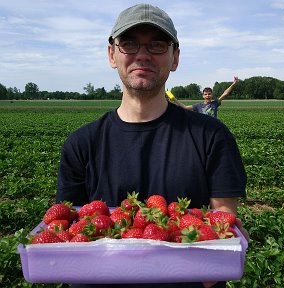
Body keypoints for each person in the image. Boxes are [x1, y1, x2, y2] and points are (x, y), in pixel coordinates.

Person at [56, 4, 248, 288]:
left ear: (175, 57)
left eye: (157, 45)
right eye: (129, 43)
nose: (142, 55)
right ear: (112, 54)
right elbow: (67, 230)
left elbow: (223, 217)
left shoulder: (212, 136)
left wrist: (215, 263)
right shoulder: (80, 144)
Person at [166, 77, 239, 118]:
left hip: (213, 128)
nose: (208, 96)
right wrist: (174, 99)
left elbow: (225, 94)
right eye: (206, 94)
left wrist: (233, 84)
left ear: (212, 95)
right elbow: (185, 107)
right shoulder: (198, 106)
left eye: (209, 94)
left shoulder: (215, 103)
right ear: (203, 96)